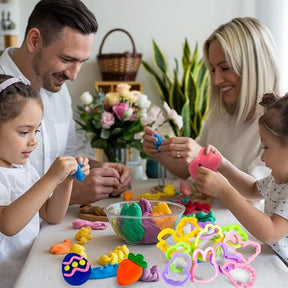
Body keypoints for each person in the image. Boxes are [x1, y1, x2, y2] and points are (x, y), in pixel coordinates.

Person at [0, 0, 131, 205]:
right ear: (34, 40)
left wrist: (99, 169)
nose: (74, 75)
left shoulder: (58, 90)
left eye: (81, 61)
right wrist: (67, 194)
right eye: (67, 59)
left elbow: (66, 156)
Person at [143, 17, 280, 180]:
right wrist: (159, 152)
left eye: (224, 68)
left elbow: (256, 194)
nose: (216, 80)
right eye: (213, 69)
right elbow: (190, 170)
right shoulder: (220, 114)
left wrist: (202, 157)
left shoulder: (279, 123)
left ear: (254, 66)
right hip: (210, 206)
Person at [0, 75, 90, 288]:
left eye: (36, 130)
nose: (34, 141)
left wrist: (65, 180)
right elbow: (8, 224)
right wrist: (50, 178)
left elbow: (52, 215)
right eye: (24, 131)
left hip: (30, 272)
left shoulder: (22, 168)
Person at [196, 92, 288, 265]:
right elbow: (252, 189)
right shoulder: (279, 179)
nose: (262, 157)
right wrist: (222, 164)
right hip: (274, 260)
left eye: (266, 147)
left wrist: (224, 191)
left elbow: (270, 231)